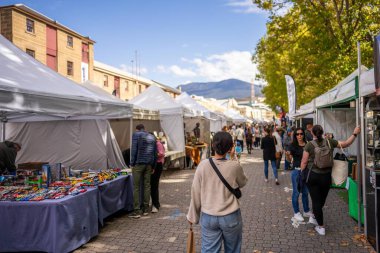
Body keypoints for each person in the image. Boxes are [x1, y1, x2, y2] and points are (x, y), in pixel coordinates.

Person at [187, 131, 248, 253]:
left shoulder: (202, 165)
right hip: (230, 215)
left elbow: (195, 192)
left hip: (208, 215)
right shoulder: (234, 166)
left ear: (213, 145)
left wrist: (192, 215)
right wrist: (233, 158)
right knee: (233, 250)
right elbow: (243, 182)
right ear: (230, 147)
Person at [300, 125, 361, 235]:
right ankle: (314, 216)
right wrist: (355, 133)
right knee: (321, 200)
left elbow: (304, 162)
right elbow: (347, 143)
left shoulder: (309, 145)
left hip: (313, 176)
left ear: (312, 133)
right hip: (326, 176)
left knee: (316, 201)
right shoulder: (330, 142)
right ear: (322, 132)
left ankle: (321, 227)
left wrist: (301, 174)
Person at [129, 124, 157, 219]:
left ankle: (137, 211)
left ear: (137, 129)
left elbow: (134, 150)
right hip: (149, 164)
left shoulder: (136, 135)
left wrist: (132, 163)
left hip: (139, 164)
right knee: (147, 186)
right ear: (144, 128)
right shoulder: (152, 136)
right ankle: (145, 209)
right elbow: (154, 153)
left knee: (136, 187)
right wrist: (153, 166)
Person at [286, 128, 312, 222]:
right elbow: (289, 160)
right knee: (296, 193)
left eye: (301, 134)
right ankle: (296, 212)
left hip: (306, 171)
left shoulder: (308, 144)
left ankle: (306, 210)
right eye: (297, 134)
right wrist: (288, 155)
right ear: (295, 135)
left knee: (305, 192)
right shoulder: (292, 146)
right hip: (296, 171)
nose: (299, 136)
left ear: (304, 135)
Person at [151, 137, 165, 213]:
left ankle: (155, 204)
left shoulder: (158, 143)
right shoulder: (154, 143)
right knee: (152, 186)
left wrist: (152, 154)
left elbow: (161, 153)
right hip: (153, 165)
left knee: (154, 185)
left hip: (157, 165)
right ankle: (155, 203)